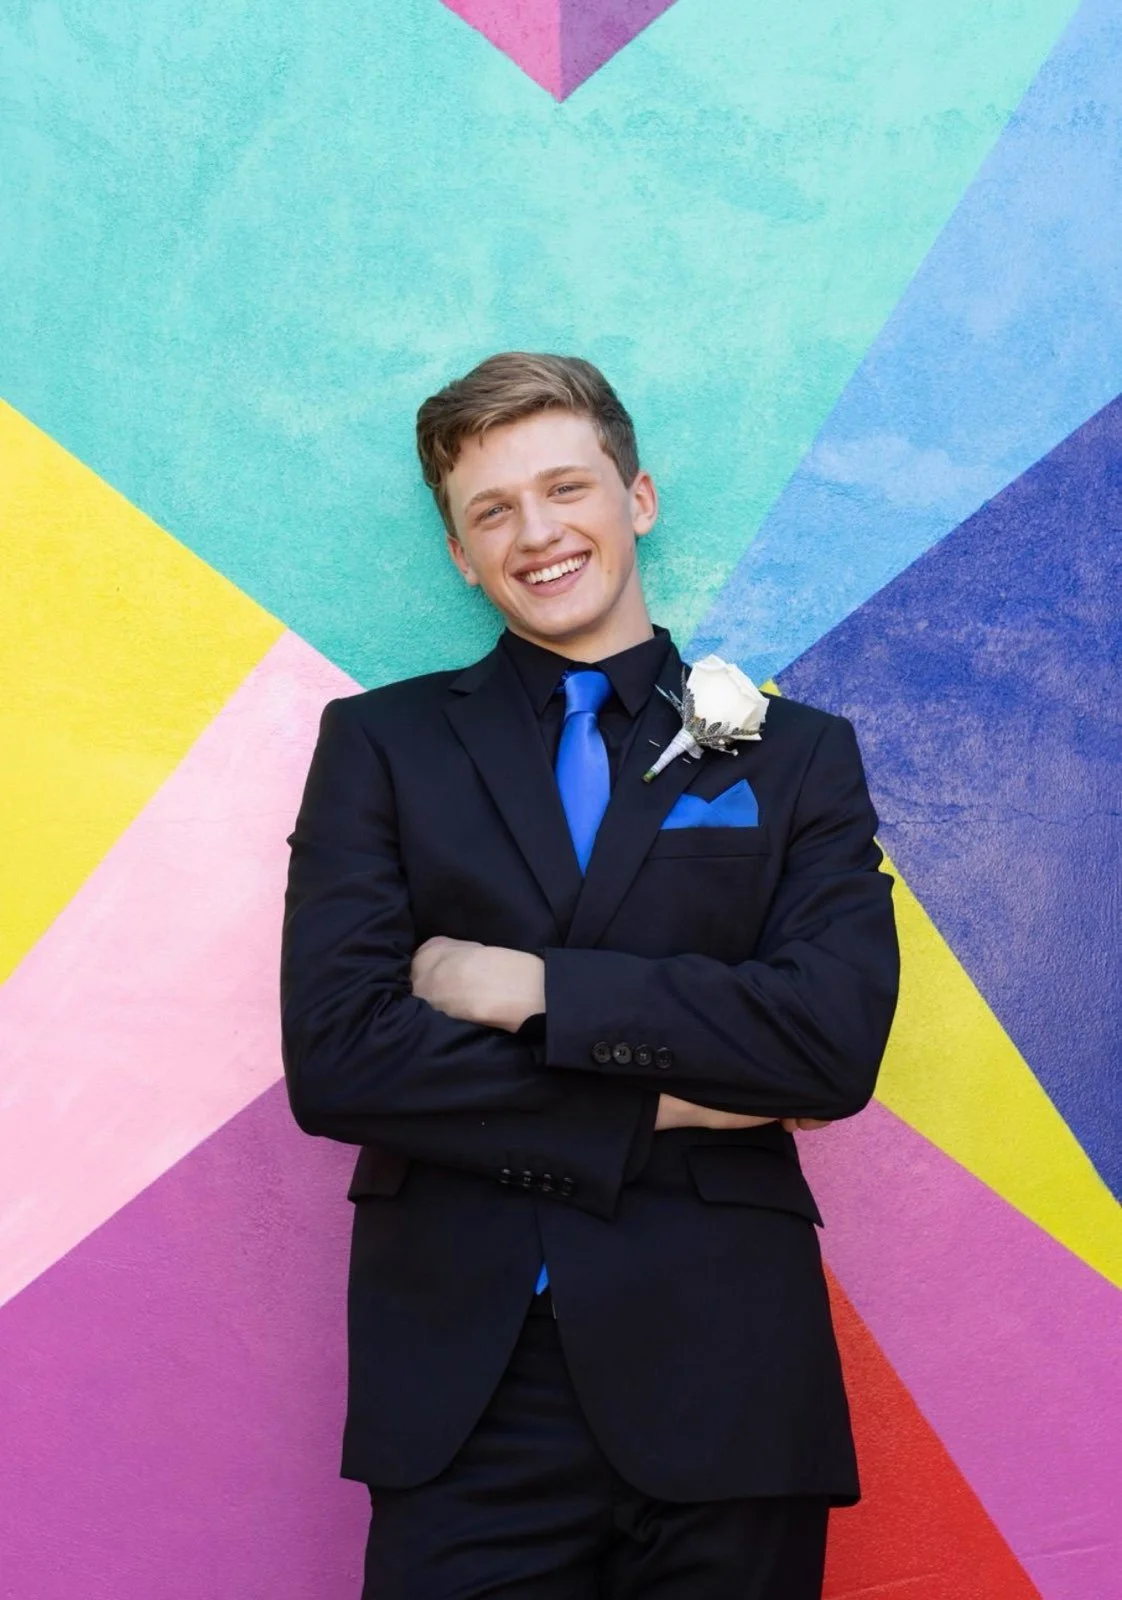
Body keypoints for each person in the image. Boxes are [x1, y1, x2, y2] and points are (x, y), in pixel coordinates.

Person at [280, 352, 900, 1599]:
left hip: (729, 1375)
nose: (537, 533)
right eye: (491, 510)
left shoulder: (798, 757)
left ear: (640, 498)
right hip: (465, 1389)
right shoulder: (380, 746)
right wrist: (673, 1095)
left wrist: (537, 989)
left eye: (566, 487)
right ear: (459, 553)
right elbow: (343, 1058)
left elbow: (829, 1045)